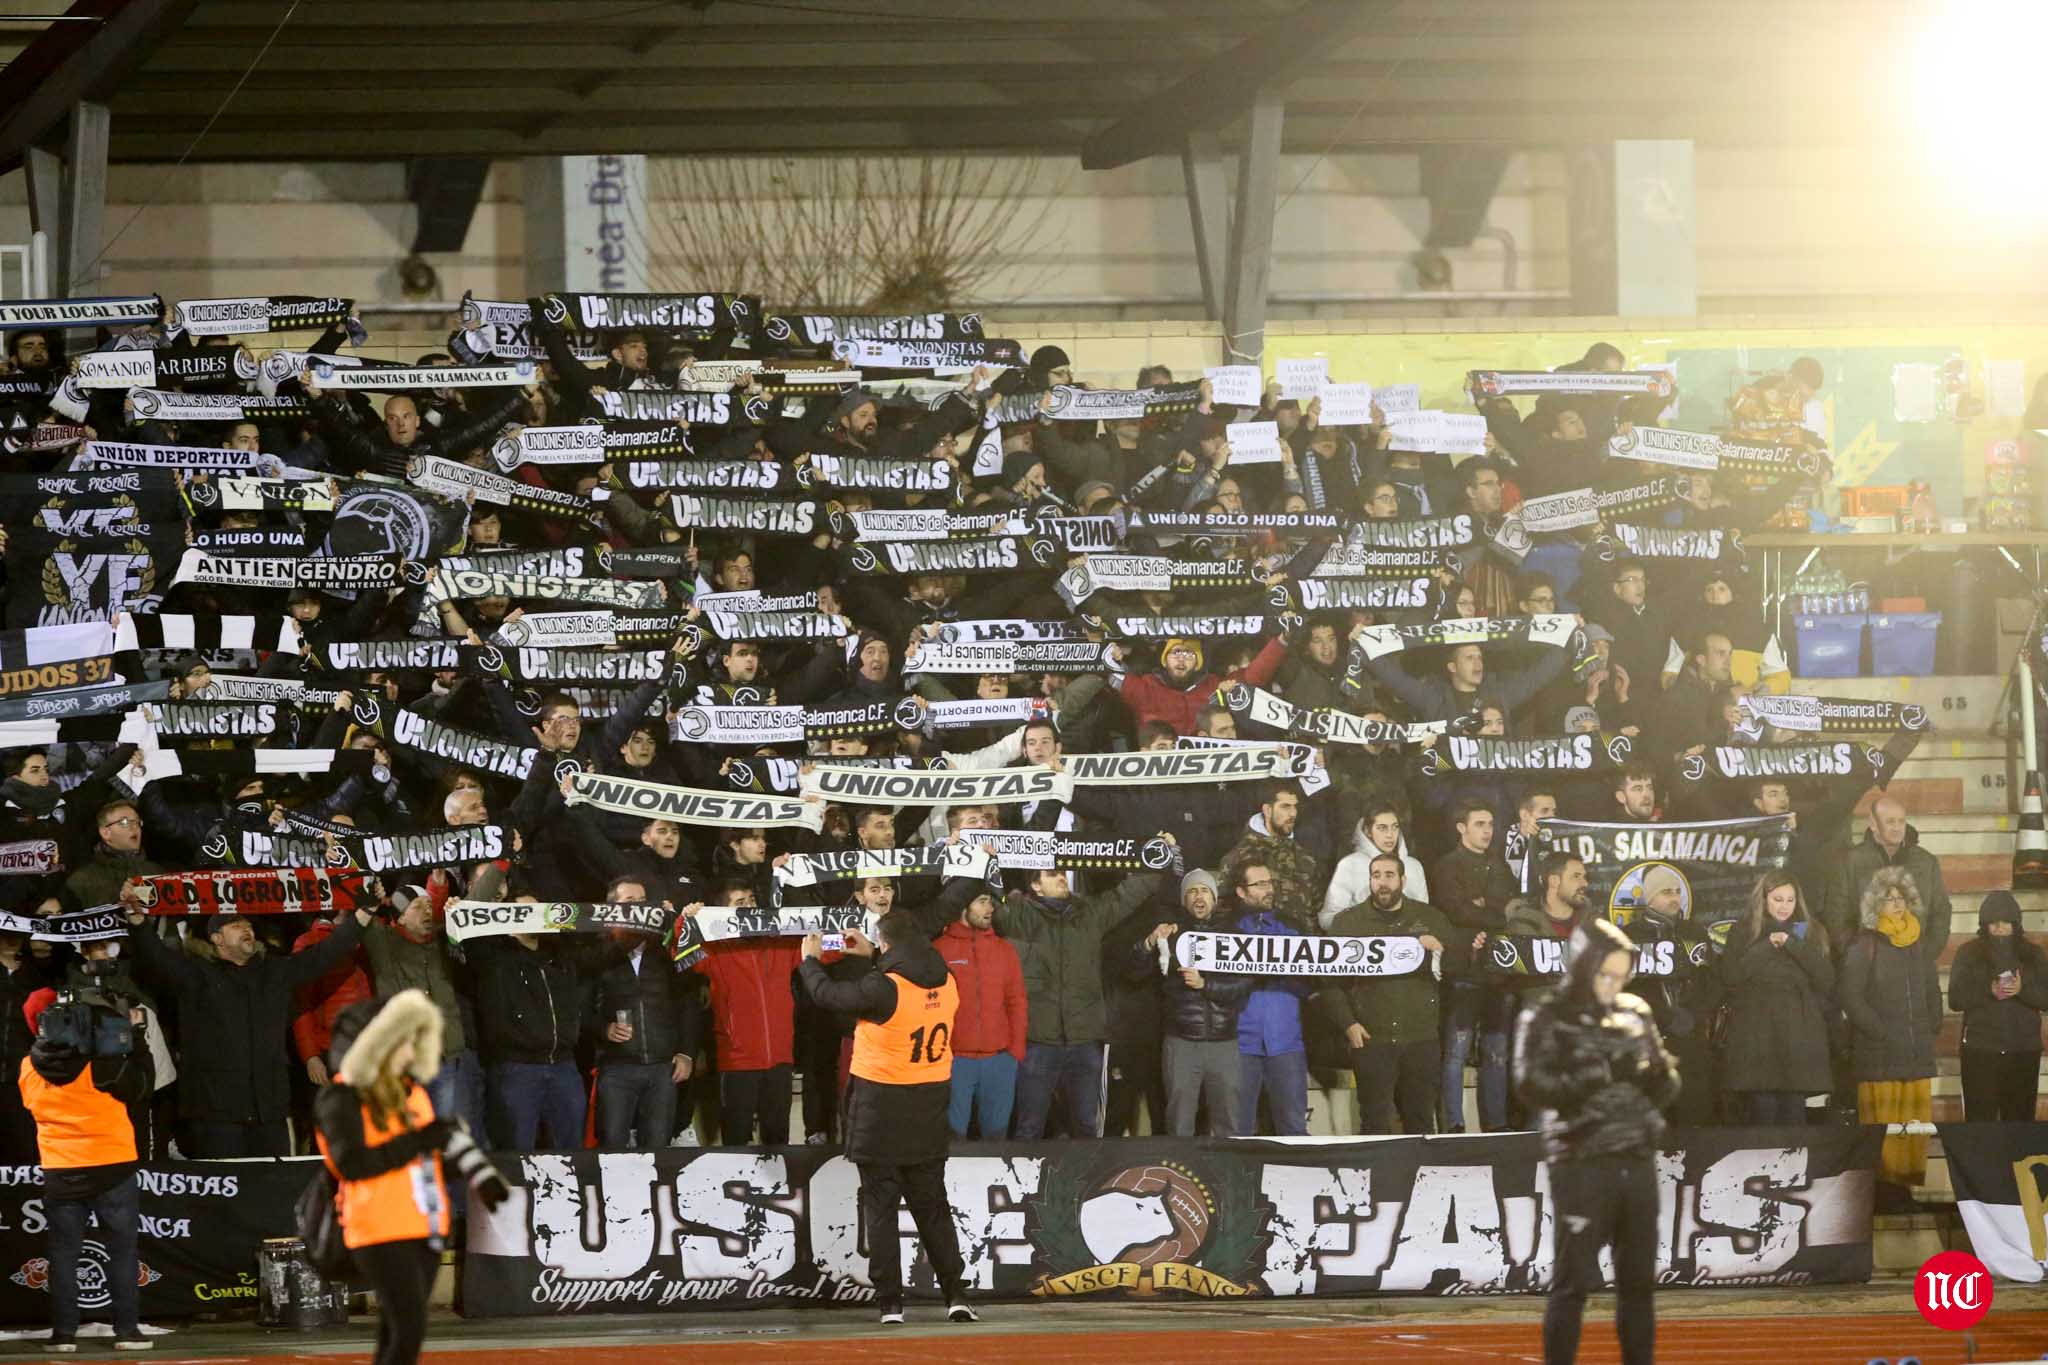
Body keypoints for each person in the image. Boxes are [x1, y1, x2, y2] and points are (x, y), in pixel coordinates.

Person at [798, 913, 976, 1326]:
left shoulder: (884, 986)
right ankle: (956, 1294)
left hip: (881, 1105)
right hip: (929, 1105)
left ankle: (891, 1303)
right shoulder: (947, 978)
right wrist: (875, 953)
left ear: (887, 944)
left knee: (881, 1207)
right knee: (932, 1206)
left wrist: (809, 960)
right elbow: (904, 971)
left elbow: (829, 996)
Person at [1514, 917, 1676, 1365]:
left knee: (1639, 1283)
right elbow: (1529, 1084)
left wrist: (1652, 1076)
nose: (1612, 984)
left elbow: (1667, 1081)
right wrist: (1593, 1076)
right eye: (1604, 974)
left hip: (1636, 1159)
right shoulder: (1547, 1014)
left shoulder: (1635, 1012)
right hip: (1581, 1161)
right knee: (1572, 1283)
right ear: (1582, 966)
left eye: (1620, 975)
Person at [313, 992, 508, 1365]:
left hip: (424, 1226)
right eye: (403, 1039)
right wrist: (423, 1138)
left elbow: (419, 1161)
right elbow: (351, 1165)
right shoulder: (341, 1096)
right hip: (378, 1228)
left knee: (397, 1329)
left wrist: (473, 1173)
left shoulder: (412, 1091)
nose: (411, 1048)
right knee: (409, 1328)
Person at [122, 903, 371, 1158]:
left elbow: (324, 955)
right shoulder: (196, 976)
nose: (247, 929)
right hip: (217, 1118)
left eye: (249, 924)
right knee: (226, 1197)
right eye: (236, 924)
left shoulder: (274, 972)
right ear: (216, 938)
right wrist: (139, 922)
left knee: (275, 1192)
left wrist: (363, 914)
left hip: (269, 1115)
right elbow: (157, 957)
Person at [996, 837, 1176, 1139]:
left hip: (1085, 1041)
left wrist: (1157, 858)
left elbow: (1127, 895)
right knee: (1030, 1126)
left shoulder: (1090, 912)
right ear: (1036, 886)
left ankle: (1086, 1185)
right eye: (1053, 874)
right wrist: (984, 861)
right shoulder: (1020, 916)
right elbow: (993, 905)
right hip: (1040, 1040)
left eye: (1063, 873)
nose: (1062, 878)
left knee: (1087, 1126)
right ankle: (1026, 1186)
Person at [18, 987, 153, 1353]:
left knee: (63, 1253)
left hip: (62, 1169)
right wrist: (135, 1037)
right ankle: (127, 1332)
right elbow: (143, 1085)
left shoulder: (29, 1066)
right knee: (122, 1251)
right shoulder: (103, 1062)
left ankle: (63, 1336)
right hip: (113, 1165)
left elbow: (30, 1102)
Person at [1320, 852, 1459, 1134]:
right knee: (1374, 1124)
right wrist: (1348, 1024)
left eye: (1389, 875)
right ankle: (1377, 1178)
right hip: (1372, 1039)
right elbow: (1328, 982)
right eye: (1376, 876)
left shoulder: (1430, 918)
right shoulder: (1348, 923)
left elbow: (1457, 968)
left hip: (1421, 1039)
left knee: (1420, 1123)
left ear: (1403, 879)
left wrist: (1439, 951)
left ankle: (1419, 1177)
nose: (1382, 883)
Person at [1836, 868, 1943, 1191]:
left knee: (1914, 1125)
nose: (1896, 904)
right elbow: (1851, 998)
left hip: (1915, 1053)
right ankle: (1881, 1190)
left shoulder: (1919, 945)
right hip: (1879, 1055)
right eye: (1889, 899)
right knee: (1881, 1126)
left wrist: (1931, 1025)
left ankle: (1907, 1187)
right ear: (1875, 906)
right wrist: (1881, 1032)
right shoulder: (1864, 946)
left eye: (1901, 898)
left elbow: (1932, 991)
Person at [1136, 869, 1253, 1136]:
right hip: (1182, 1042)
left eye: (1204, 891)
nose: (1198, 896)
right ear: (1183, 900)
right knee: (1179, 1120)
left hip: (1224, 1043)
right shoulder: (1171, 934)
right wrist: (1149, 943)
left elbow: (1244, 985)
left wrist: (1205, 985)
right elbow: (1135, 972)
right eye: (1192, 891)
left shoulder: (1233, 936)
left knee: (1228, 1119)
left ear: (1214, 898)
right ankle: (1178, 1177)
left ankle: (1229, 1174)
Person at [1718, 870, 1835, 1125]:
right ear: (1764, 899)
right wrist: (1766, 946)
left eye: (1790, 900)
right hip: (1757, 1035)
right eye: (1778, 899)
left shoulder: (1811, 931)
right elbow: (1731, 977)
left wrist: (1792, 944)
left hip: (1798, 1035)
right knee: (1762, 1112)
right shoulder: (1744, 931)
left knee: (1794, 1113)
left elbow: (1826, 978)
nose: (1784, 907)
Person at [1947, 889, 2047, 1121]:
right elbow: (1955, 999)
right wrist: (1988, 990)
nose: (2000, 929)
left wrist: (2023, 990)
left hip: (2024, 1052)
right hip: (1980, 1051)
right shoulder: (1969, 953)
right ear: (1984, 925)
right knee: (1980, 1126)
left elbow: (2045, 998)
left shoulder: (2033, 954)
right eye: (1994, 924)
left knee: (2020, 1126)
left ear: (2016, 924)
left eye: (2005, 923)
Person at [936, 890, 1026, 1139]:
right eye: (982, 902)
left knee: (996, 1139)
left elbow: (1016, 1002)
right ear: (964, 906)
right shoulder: (940, 949)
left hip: (999, 1061)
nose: (990, 909)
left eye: (991, 902)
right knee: (952, 1141)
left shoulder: (1004, 949)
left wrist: (1014, 1053)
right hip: (954, 1061)